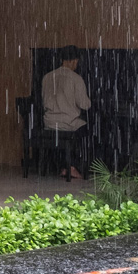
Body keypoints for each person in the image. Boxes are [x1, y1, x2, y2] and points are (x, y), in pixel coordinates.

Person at [42, 45, 91, 179]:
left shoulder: (47, 77)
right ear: (74, 61)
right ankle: (73, 166)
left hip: (49, 122)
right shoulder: (76, 79)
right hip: (69, 123)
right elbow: (85, 104)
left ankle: (59, 165)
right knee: (88, 131)